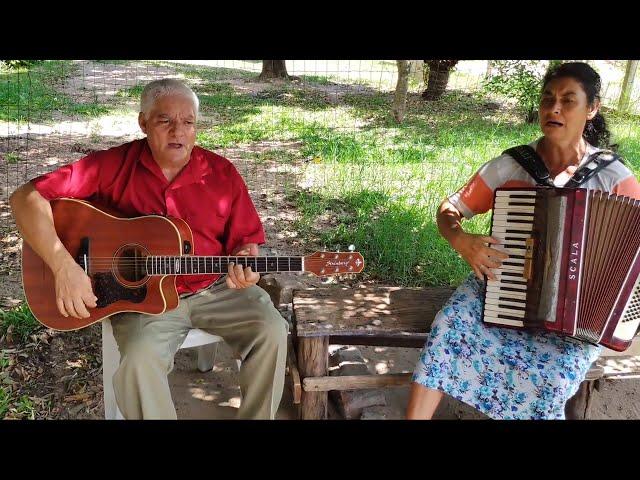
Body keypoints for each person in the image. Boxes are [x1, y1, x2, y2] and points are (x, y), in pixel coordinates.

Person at [9, 78, 289, 420]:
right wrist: (63, 265)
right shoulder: (111, 166)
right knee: (137, 365)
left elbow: (247, 242)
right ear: (143, 123)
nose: (178, 131)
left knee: (272, 330)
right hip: (144, 302)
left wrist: (247, 259)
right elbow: (26, 197)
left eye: (188, 122)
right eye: (165, 121)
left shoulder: (221, 173)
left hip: (214, 288)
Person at [406, 62, 640, 420]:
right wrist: (461, 239)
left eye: (568, 100)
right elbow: (450, 208)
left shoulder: (613, 177)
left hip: (576, 317)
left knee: (552, 376)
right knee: (449, 327)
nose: (554, 108)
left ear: (591, 109)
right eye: (548, 99)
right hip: (502, 288)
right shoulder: (513, 165)